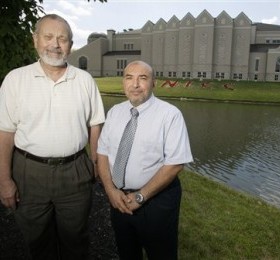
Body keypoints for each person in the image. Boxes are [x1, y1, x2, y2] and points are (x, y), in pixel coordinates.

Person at [0, 14, 105, 259]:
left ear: (70, 44)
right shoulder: (15, 80)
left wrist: (96, 162)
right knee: (37, 240)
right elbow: (5, 132)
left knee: (76, 239)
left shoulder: (85, 80)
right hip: (28, 173)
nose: (55, 44)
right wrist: (4, 179)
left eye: (62, 38)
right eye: (48, 36)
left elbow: (96, 123)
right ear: (35, 40)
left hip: (76, 171)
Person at [97, 60, 193, 260]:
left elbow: (175, 163)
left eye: (143, 78)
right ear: (123, 82)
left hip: (156, 202)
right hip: (120, 200)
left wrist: (141, 196)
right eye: (129, 77)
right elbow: (103, 152)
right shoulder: (115, 112)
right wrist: (110, 190)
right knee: (127, 252)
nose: (135, 84)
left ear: (153, 83)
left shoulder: (170, 115)